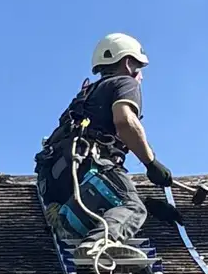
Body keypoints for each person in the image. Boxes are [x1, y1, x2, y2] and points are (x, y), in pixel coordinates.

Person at [35, 33, 174, 257]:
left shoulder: (84, 96)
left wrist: (148, 204)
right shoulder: (124, 82)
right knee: (133, 209)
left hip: (61, 180)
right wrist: (151, 163)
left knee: (131, 203)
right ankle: (99, 243)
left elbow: (106, 191)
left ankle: (65, 221)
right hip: (92, 166)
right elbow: (125, 122)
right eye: (139, 69)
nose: (141, 77)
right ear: (128, 63)